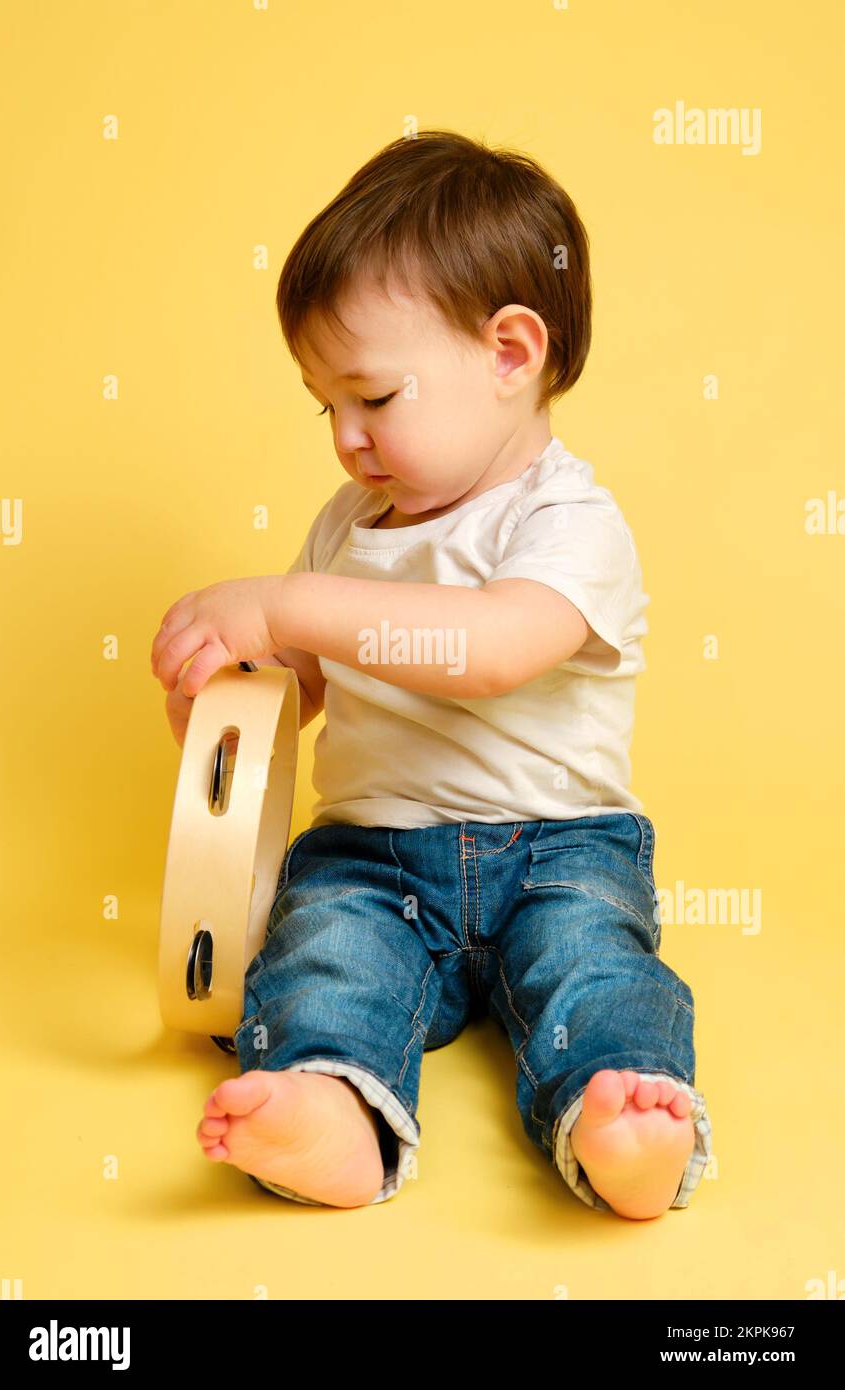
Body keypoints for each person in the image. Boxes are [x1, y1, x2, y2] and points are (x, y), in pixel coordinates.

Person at [152, 129, 712, 1219]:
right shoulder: (346, 526)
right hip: (375, 856)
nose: (348, 440)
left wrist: (280, 601)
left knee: (593, 967)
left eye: (374, 395)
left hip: (560, 845)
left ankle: (621, 1118)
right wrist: (226, 701)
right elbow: (304, 688)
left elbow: (489, 649)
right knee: (323, 952)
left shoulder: (569, 522)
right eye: (328, 407)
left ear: (510, 353)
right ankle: (329, 1104)